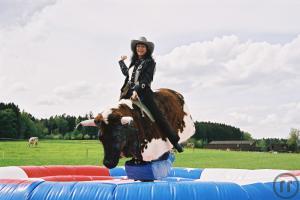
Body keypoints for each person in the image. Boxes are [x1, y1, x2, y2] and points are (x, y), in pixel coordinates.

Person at [118, 36, 183, 153]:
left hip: (143, 92)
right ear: (135, 48)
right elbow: (126, 74)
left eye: (143, 46)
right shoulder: (134, 62)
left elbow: (146, 80)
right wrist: (121, 62)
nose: (140, 48)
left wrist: (137, 91)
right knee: (118, 114)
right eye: (138, 46)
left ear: (147, 49)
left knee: (158, 116)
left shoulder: (150, 62)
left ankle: (174, 141)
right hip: (127, 93)